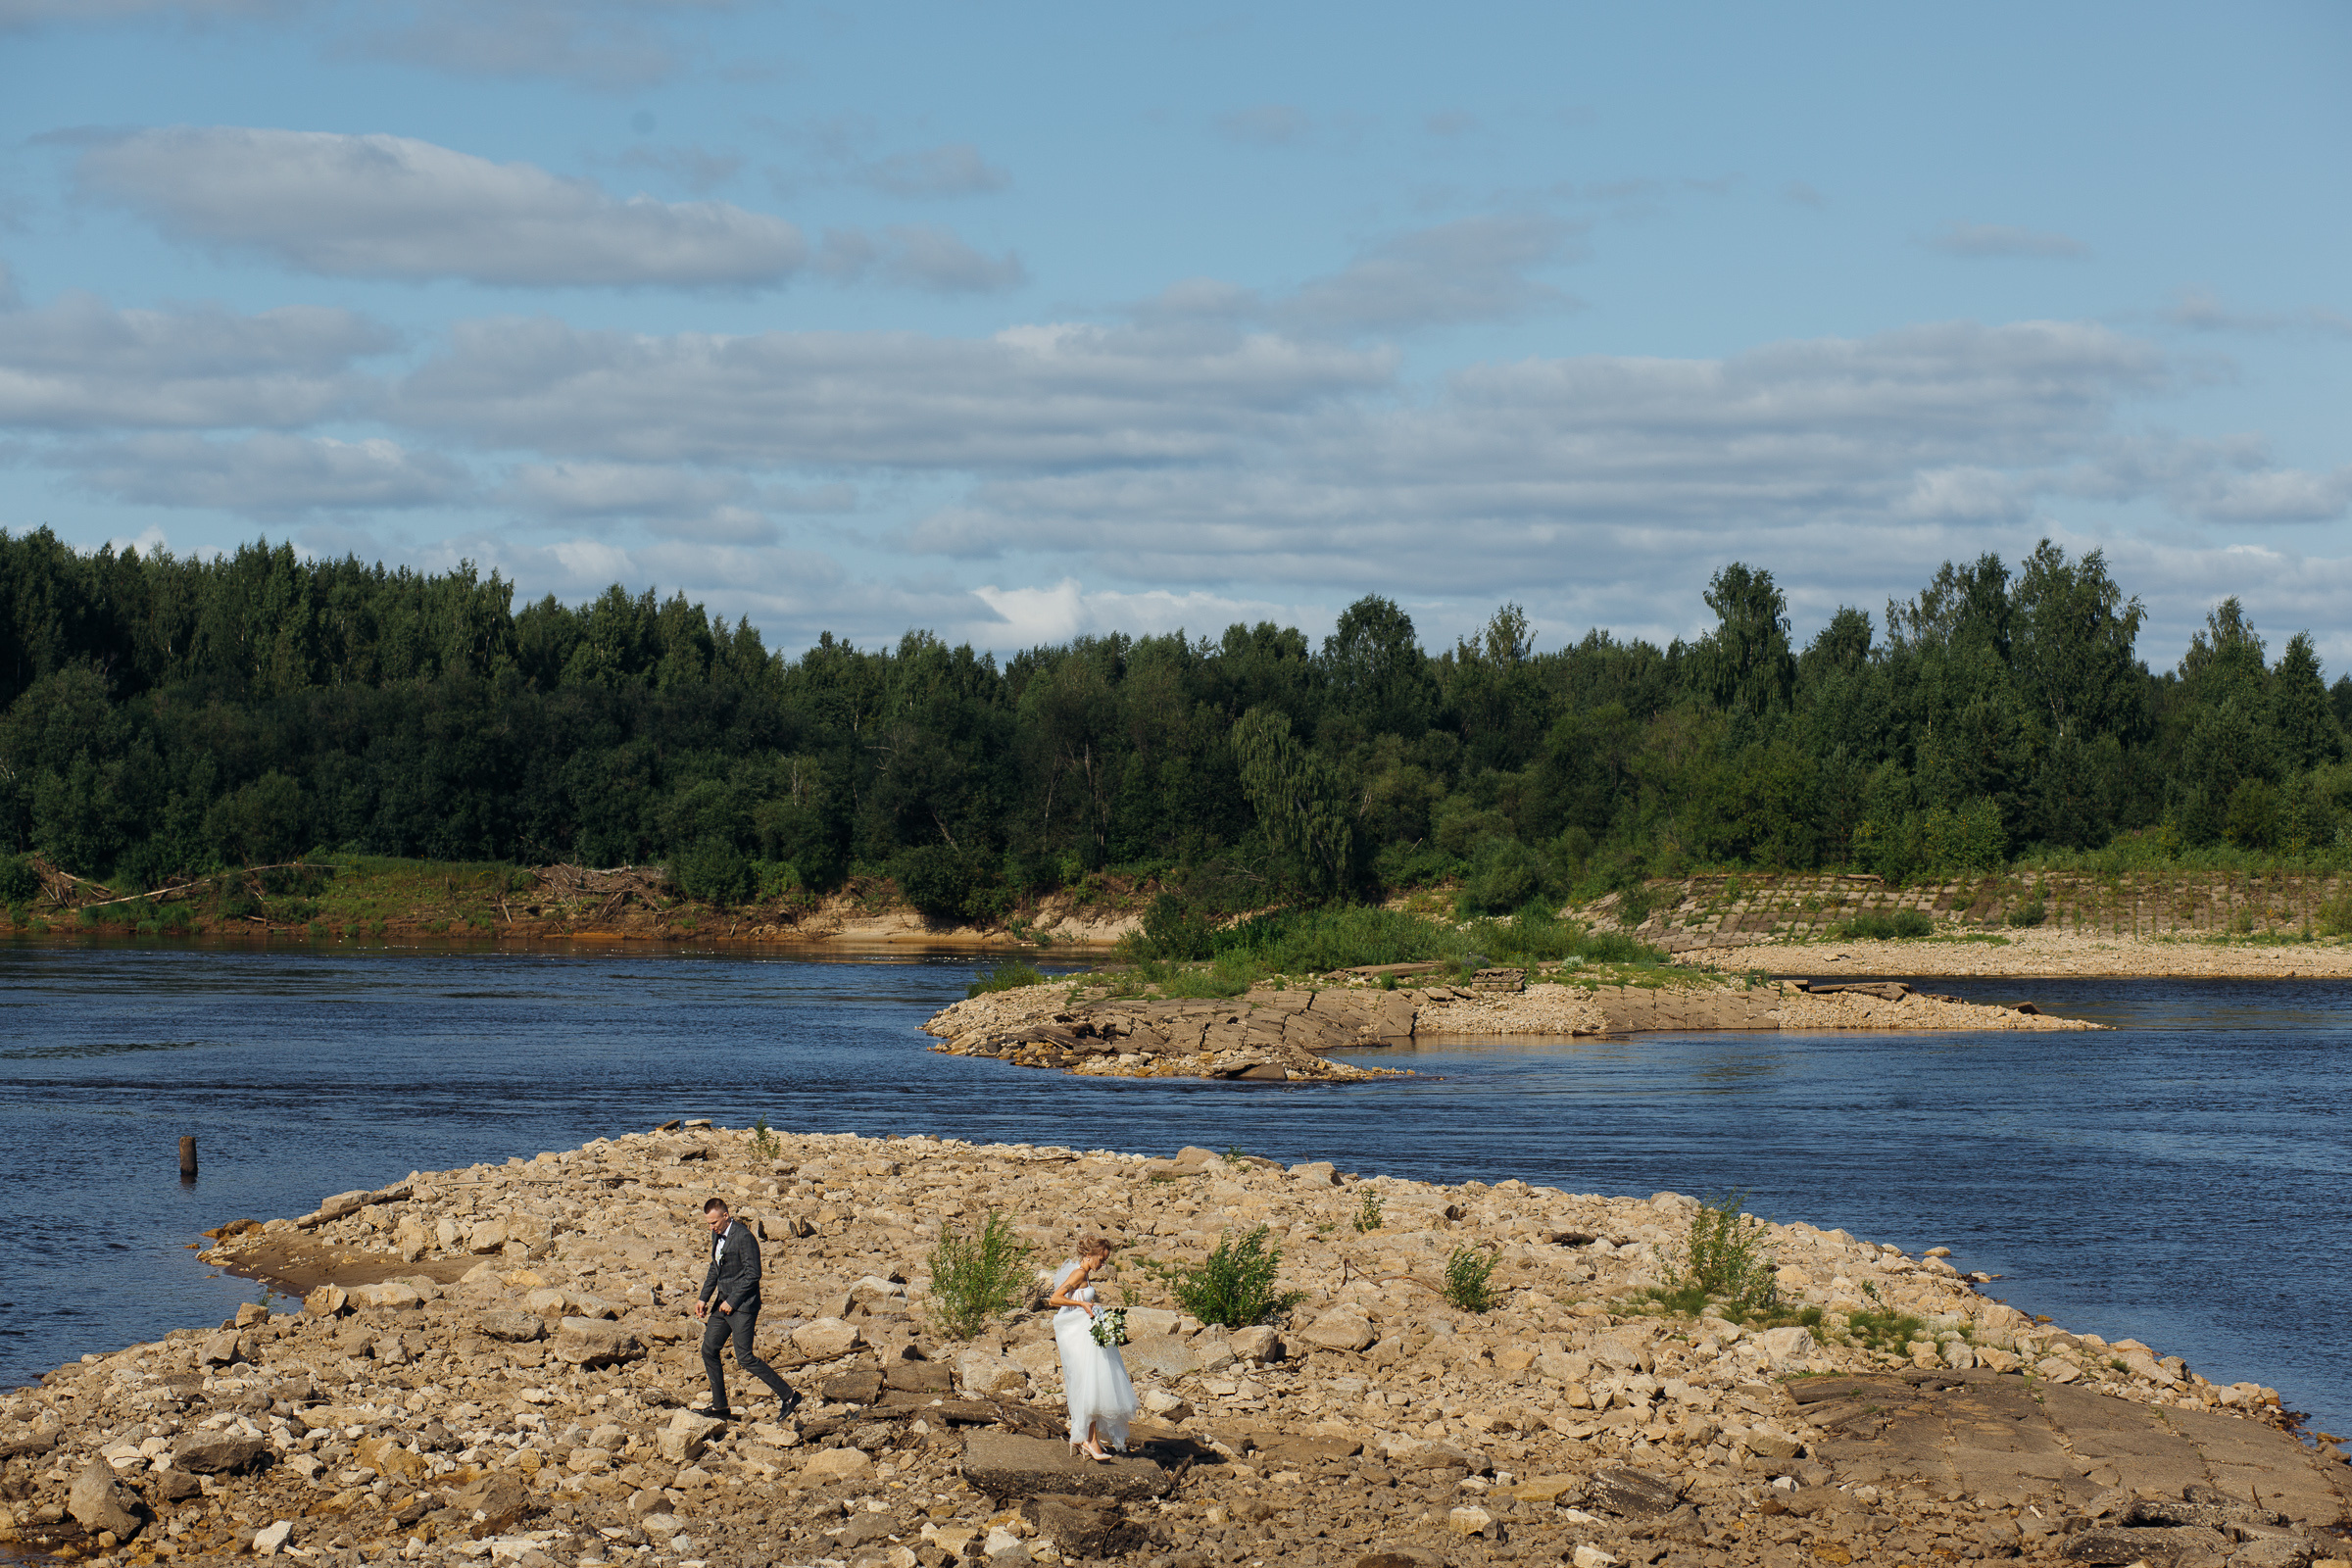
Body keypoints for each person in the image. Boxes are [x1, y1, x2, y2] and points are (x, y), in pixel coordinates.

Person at [694, 1197, 798, 1421]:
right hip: (722, 1303)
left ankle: (789, 1396)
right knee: (709, 1349)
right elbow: (716, 1268)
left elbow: (754, 1274)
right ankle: (720, 1406)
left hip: (742, 1306)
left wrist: (732, 1301)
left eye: (714, 1223)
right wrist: (703, 1298)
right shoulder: (716, 1234)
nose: (711, 1228)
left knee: (744, 1356)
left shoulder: (743, 1237)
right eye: (708, 1224)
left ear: (725, 1215)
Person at [1045, 1234, 1137, 1460]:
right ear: (1089, 1255)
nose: (1103, 1264)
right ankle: (1089, 1440)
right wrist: (1082, 1303)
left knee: (1092, 1385)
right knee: (1090, 1384)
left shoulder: (1083, 1273)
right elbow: (1054, 1299)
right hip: (1079, 1338)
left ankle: (1088, 1438)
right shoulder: (1078, 1273)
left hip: (1086, 1335)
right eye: (1101, 1259)